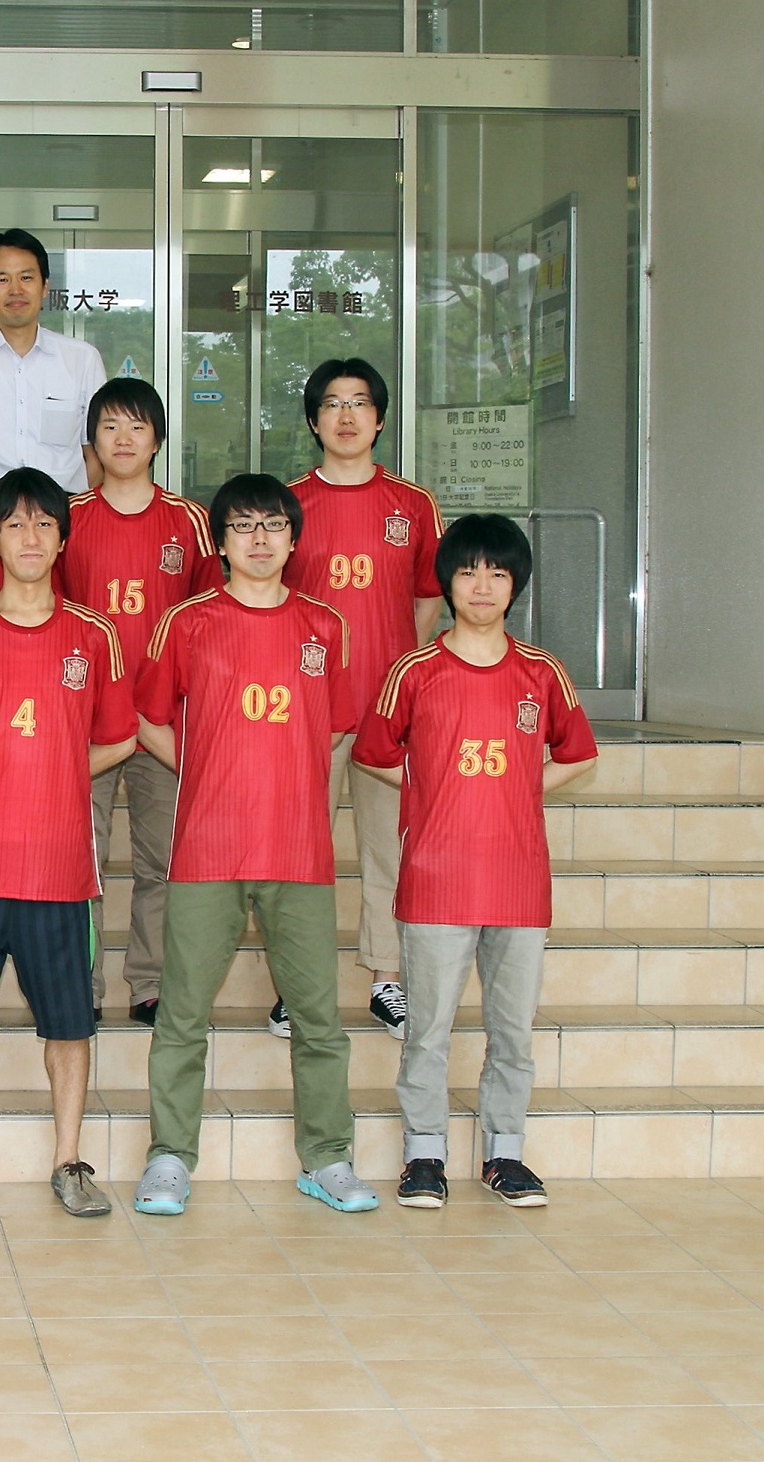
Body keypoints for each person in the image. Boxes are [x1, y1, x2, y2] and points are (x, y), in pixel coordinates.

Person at [132, 472, 379, 1218]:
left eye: (272, 525)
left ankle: (328, 1158)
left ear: (294, 539)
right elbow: (147, 718)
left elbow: (334, 727)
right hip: (206, 848)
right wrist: (204, 765)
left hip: (297, 850)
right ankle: (169, 1158)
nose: (259, 539)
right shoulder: (187, 622)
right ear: (220, 542)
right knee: (181, 1013)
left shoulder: (323, 626)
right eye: (242, 526)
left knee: (317, 1019)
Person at [354, 515, 597, 1210]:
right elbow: (373, 752)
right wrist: (430, 785)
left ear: (515, 584)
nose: (482, 585)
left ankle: (505, 1153)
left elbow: (578, 754)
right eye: (467, 571)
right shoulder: (415, 671)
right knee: (427, 1032)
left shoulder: (541, 672)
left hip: (518, 883)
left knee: (511, 1031)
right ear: (447, 583)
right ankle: (423, 1154)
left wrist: (519, 785)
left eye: (496, 572)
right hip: (436, 881)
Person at [0, 468, 136, 1220]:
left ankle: (69, 1162)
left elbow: (120, 735)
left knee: (70, 1026)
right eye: (14, 524)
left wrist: (63, 767)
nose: (30, 536)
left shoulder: (94, 636)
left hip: (60, 868)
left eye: (44, 523)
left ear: (63, 539)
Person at [269, 357, 444, 1042]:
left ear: (379, 419)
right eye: (332, 404)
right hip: (307, 712)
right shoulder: (286, 505)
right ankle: (297, 986)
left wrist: (402, 675)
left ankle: (386, 979)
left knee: (387, 848)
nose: (346, 416)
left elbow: (427, 597)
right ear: (313, 422)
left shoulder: (412, 505)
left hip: (389, 713)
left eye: (360, 403)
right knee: (299, 849)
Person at [55, 378, 220, 1025]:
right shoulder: (67, 518)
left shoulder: (190, 521)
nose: (123, 439)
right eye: (109, 426)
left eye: (137, 426)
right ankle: (82, 984)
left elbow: (209, 620)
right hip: (86, 722)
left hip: (162, 722)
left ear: (157, 439)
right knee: (81, 863)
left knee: (163, 862)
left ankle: (150, 982)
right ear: (91, 441)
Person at [0, 228, 106, 492]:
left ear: (45, 286)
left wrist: (74, 509)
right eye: (2, 279)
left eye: (26, 277)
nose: (15, 290)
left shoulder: (83, 360)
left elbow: (96, 453)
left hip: (64, 511)